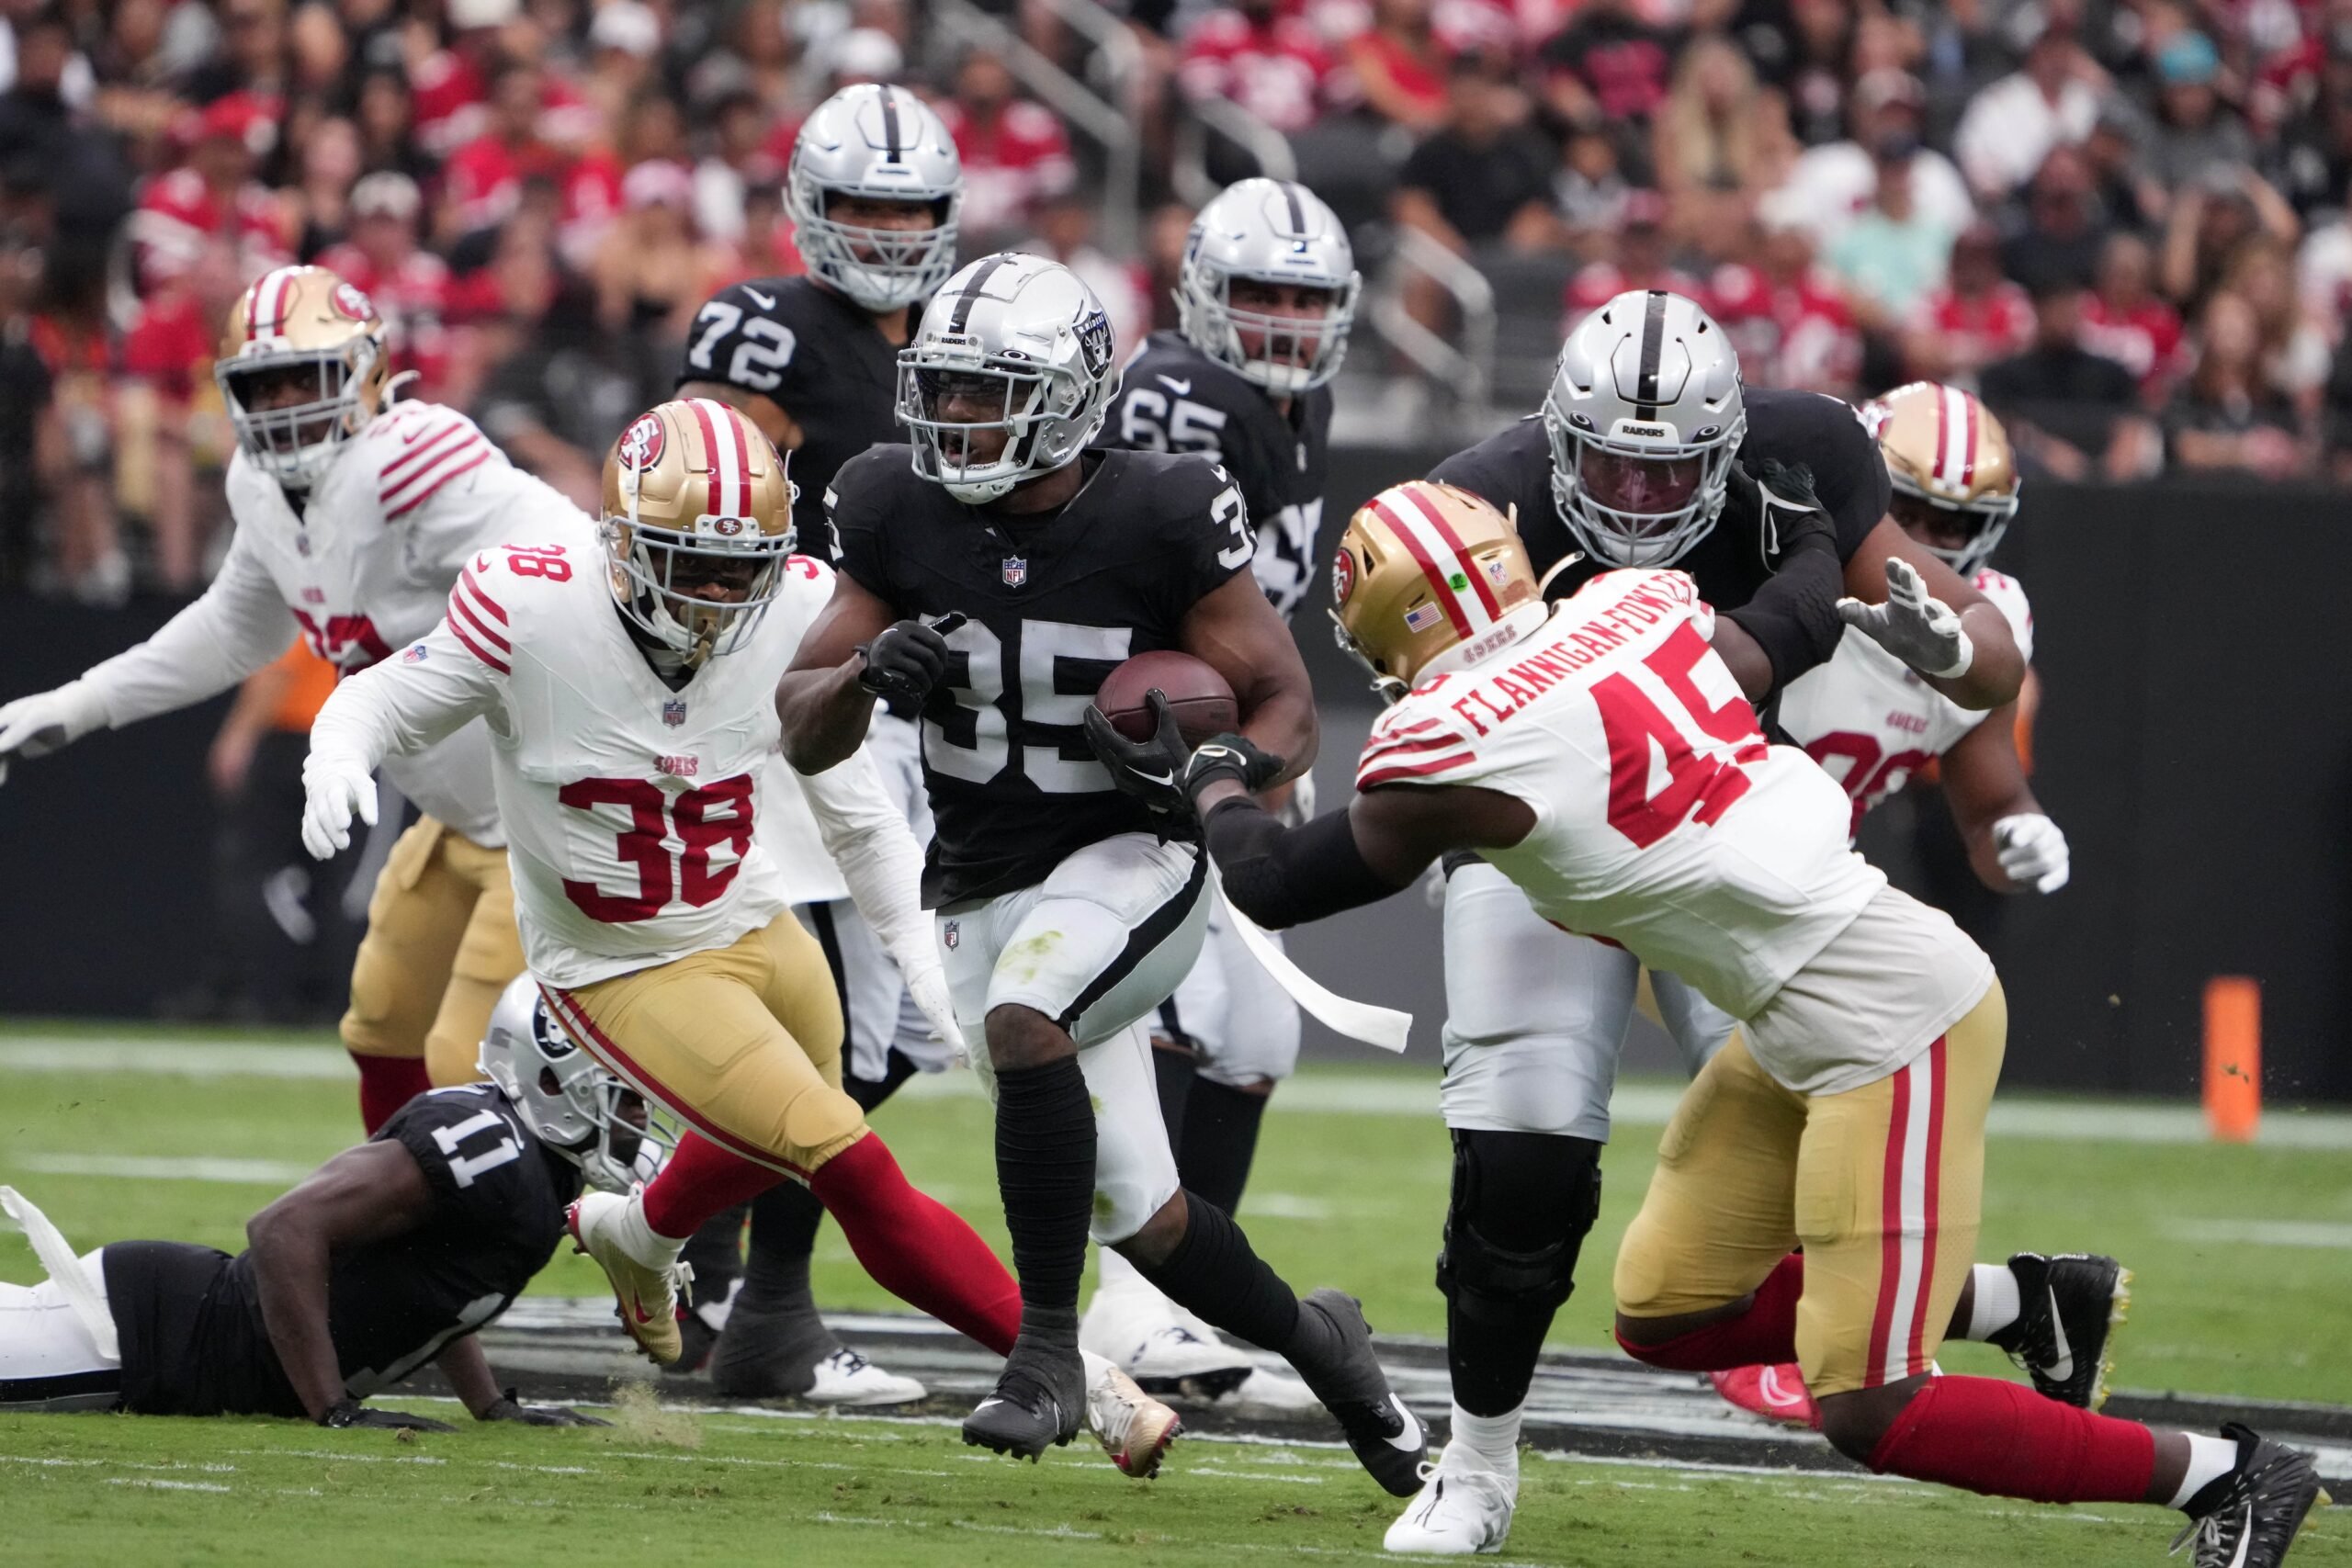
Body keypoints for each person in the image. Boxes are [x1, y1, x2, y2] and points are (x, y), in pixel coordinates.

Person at [1161, 479, 2325, 1568]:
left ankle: (2227, 1477)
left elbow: (1271, 880)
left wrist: (1213, 771)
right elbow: (1783, 622)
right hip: (1792, 1018)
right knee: (1667, 1314)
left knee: (1872, 1404)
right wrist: (1821, 524)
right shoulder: (1629, 602)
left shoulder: (1453, 739)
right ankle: (2035, 1301)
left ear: (1391, 616)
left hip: (1895, 1018)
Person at [1376, 288, 2029, 1551]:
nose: (1632, 498)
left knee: (1802, 1144)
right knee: (1521, 1152)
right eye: (1608, 462)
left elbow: (1990, 651)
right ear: (1553, 437)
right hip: (1544, 846)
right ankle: (1478, 1460)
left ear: (1731, 449)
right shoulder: (1478, 499)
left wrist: (1951, 644)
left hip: (1714, 831)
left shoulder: (1809, 459)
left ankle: (1975, 1311)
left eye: (1667, 468)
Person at [773, 253, 1425, 1494]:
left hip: (1137, 855)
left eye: (988, 392)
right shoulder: (890, 500)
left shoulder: (1163, 508)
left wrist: (1217, 772)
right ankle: (1328, 1345)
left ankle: (1046, 1352)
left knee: (1029, 1018)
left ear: (1074, 394)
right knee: (1152, 1216)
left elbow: (1286, 700)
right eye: (946, 390)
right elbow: (798, 719)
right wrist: (864, 679)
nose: (956, 418)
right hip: (980, 882)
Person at [0, 265, 567, 1128]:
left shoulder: (415, 455)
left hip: (543, 818)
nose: (289, 401)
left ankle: (531, 1234)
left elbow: (579, 560)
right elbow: (236, 630)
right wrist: (81, 702)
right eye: (266, 384)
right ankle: (411, 1236)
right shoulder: (260, 487)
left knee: (469, 1067)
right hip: (456, 819)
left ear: (368, 371)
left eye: (310, 375)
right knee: (380, 1028)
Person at [668, 81, 964, 1403]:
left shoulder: (957, 331)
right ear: (809, 207)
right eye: (864, 206)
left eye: (913, 210)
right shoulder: (768, 331)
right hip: (796, 703)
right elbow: (690, 505)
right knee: (854, 1022)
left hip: (907, 711)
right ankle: (750, 1294)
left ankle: (696, 1233)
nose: (892, 235)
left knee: (880, 1029)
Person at [1088, 178, 1358, 1404]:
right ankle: (1128, 1304)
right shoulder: (1183, 395)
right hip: (1147, 745)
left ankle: (1163, 1303)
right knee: (1195, 1016)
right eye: (1263, 293)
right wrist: (1198, 754)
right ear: (1203, 288)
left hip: (1224, 740)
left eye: (1309, 298)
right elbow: (1142, 593)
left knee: (1252, 1030)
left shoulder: (1287, 399)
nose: (1288, 321)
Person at [0, 981, 648, 1427]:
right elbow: (284, 1226)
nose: (639, 1115)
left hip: (185, 1334)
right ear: (553, 1081)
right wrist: (332, 1406)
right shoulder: (492, 1148)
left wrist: (490, 1404)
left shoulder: (527, 1163)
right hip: (150, 1339)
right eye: (626, 1096)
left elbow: (440, 1291)